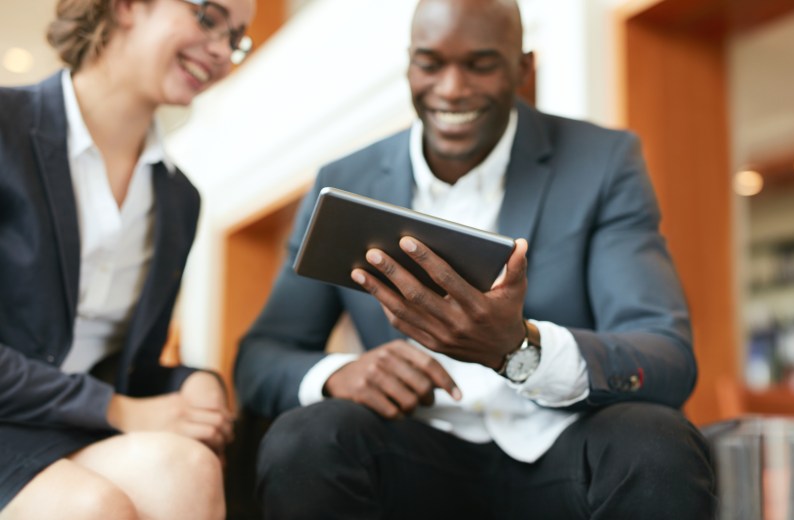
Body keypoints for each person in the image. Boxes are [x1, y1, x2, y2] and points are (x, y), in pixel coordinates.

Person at [235, 0, 716, 517]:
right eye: (430, 63)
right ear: (409, 64)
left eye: (481, 64)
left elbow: (665, 356)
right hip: (414, 453)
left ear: (523, 67)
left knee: (655, 445)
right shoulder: (344, 181)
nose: (451, 88)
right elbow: (262, 357)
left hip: (564, 450)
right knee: (304, 439)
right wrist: (338, 374)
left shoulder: (602, 162)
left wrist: (518, 348)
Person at [0, 0, 254, 518]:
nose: (222, 52)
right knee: (93, 507)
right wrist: (115, 409)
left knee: (190, 469)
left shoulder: (181, 198)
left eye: (236, 38)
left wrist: (188, 382)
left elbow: (125, 368)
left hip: (65, 427)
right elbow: (119, 398)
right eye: (209, 17)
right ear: (126, 5)